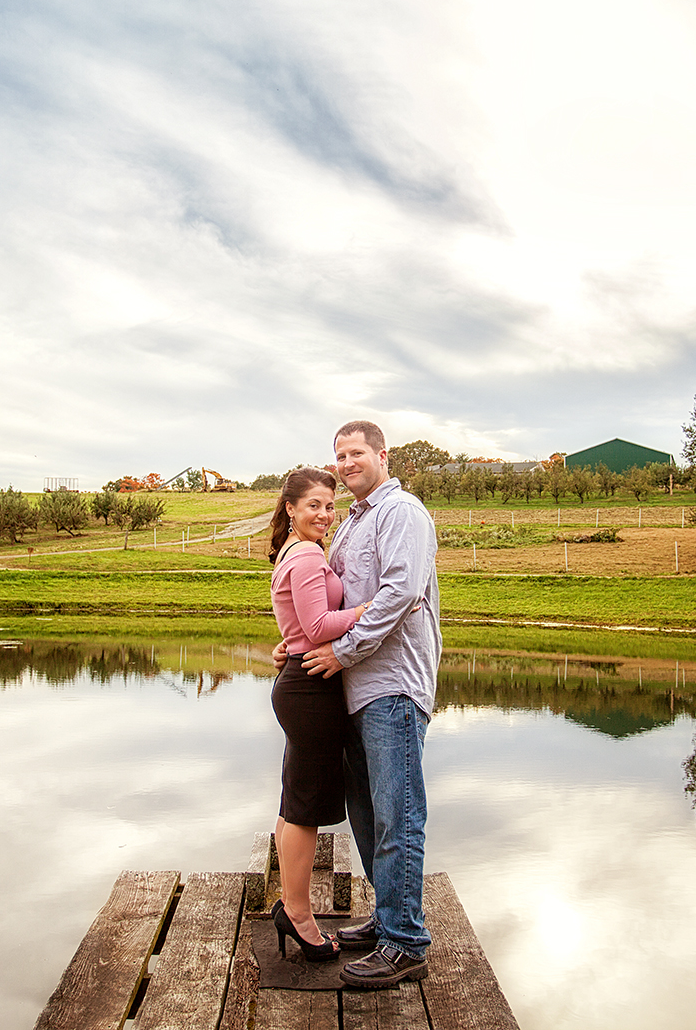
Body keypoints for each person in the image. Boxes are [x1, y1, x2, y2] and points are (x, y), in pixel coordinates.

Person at [287, 420, 441, 989]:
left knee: (398, 813)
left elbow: (400, 592)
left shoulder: (403, 513)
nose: (347, 462)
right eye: (339, 454)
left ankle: (405, 943)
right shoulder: (354, 521)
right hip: (356, 688)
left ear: (383, 455)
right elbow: (336, 599)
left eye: (356, 453)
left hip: (393, 685)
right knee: (369, 813)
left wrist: (344, 649)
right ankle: (387, 919)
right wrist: (300, 642)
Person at [266, 467, 370, 962]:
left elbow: (297, 628)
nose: (324, 515)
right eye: (313, 505)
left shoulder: (295, 552)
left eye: (330, 506)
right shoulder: (306, 555)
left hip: (301, 685)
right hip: (309, 690)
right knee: (305, 809)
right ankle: (300, 915)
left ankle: (292, 906)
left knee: (294, 804)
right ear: (290, 508)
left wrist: (289, 644)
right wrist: (370, 609)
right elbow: (319, 624)